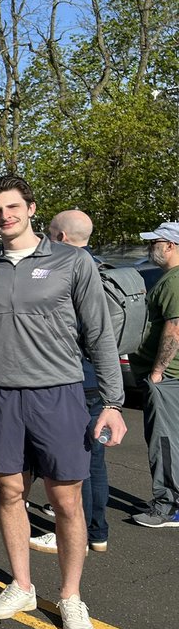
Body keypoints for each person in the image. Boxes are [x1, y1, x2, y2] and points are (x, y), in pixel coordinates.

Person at [0, 175, 126, 629]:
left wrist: (113, 402)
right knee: (10, 492)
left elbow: (99, 333)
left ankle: (71, 595)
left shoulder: (71, 260)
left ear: (32, 208)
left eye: (13, 207)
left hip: (59, 393)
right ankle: (22, 585)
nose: (4, 216)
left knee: (66, 500)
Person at [29, 210, 112, 552]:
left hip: (71, 376)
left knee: (75, 461)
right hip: (95, 376)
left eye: (49, 233)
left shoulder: (69, 268)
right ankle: (98, 530)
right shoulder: (102, 266)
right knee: (94, 458)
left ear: (61, 238)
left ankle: (81, 530)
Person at [128, 221, 179, 528]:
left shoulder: (174, 281)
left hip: (168, 377)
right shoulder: (169, 279)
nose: (150, 248)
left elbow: (175, 328)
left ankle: (167, 507)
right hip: (169, 376)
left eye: (154, 242)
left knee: (164, 442)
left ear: (170, 245)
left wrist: (158, 371)